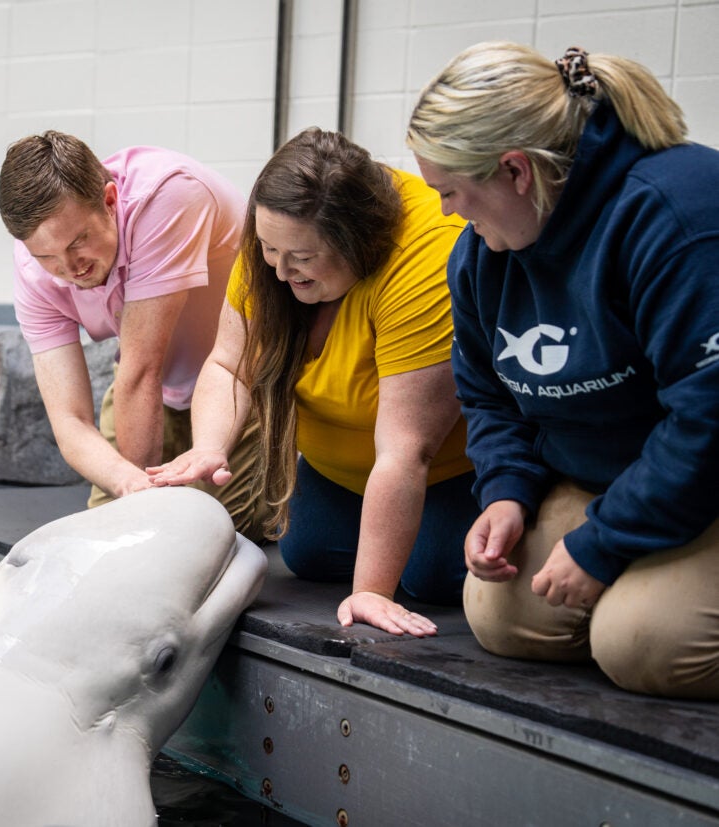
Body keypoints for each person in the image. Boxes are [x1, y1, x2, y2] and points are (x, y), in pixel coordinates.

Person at [407, 42, 719, 698]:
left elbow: (707, 417)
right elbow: (487, 393)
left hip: (707, 474)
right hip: (618, 474)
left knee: (642, 641)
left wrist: (602, 544)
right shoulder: (483, 255)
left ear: (516, 171)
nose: (446, 213)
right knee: (502, 610)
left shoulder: (676, 215)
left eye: (452, 192)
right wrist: (507, 492)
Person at [148, 128, 478, 635]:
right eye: (268, 250)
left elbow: (405, 450)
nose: (280, 271)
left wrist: (370, 590)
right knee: (308, 552)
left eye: (302, 259)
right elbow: (229, 364)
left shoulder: (425, 261)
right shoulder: (278, 238)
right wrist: (210, 447)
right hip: (339, 466)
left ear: (357, 242)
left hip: (444, 469)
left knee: (429, 574)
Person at [0, 131, 268, 540]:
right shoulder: (34, 268)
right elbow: (69, 419)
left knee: (204, 538)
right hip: (147, 388)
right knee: (106, 536)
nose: (70, 267)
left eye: (79, 242)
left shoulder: (168, 196)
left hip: (244, 380)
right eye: (48, 256)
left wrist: (140, 516)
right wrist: (128, 483)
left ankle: (287, 475)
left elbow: (143, 369)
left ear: (109, 201)